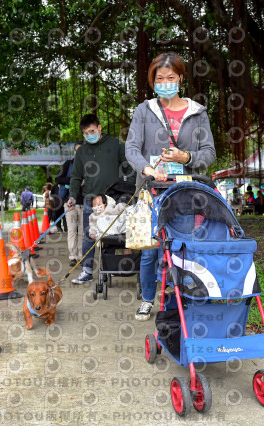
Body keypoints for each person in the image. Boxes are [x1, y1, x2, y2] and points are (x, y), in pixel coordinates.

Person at [125, 52, 216, 321]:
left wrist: (185, 157)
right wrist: (149, 170)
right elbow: (131, 148)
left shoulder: (197, 112)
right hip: (151, 190)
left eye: (171, 77)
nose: (166, 82)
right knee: (150, 249)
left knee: (182, 247)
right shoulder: (144, 110)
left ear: (181, 79)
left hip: (185, 191)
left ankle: (180, 299)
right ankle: (146, 299)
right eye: (160, 78)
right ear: (153, 81)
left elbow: (209, 152)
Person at [68, 114, 134, 284]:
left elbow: (129, 167)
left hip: (112, 201)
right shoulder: (82, 151)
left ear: (99, 128)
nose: (89, 135)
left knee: (110, 235)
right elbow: (75, 176)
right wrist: (73, 196)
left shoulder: (116, 144)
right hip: (91, 199)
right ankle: (87, 271)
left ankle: (107, 270)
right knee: (89, 235)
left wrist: (129, 191)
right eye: (85, 133)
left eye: (91, 131)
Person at [57, 142, 83, 266]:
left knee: (83, 232)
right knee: (72, 230)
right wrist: (75, 181)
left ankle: (81, 256)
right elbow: (58, 178)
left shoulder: (90, 165)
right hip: (70, 202)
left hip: (85, 203)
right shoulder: (69, 164)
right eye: (77, 150)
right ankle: (73, 256)